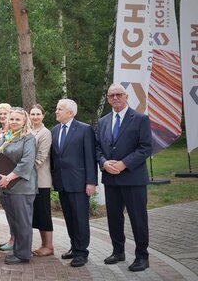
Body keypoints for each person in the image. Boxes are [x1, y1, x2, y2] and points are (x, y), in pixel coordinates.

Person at [96, 83, 152, 272]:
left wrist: (124, 163)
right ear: (108, 98)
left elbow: (145, 148)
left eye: (119, 94)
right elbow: (97, 148)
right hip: (110, 179)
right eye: (111, 95)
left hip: (133, 178)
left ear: (126, 96)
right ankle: (118, 251)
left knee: (138, 218)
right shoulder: (103, 121)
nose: (115, 98)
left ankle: (142, 256)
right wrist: (104, 162)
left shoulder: (140, 119)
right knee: (114, 218)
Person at [51, 99, 97, 267]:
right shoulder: (55, 130)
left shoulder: (85, 129)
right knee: (69, 218)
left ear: (70, 113)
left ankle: (82, 252)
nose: (56, 111)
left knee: (80, 219)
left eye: (59, 109)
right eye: (56, 109)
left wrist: (91, 182)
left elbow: (90, 157)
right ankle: (74, 247)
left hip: (79, 183)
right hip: (62, 183)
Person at [0, 107, 37, 265]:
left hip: (22, 187)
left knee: (23, 222)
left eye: (17, 119)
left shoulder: (28, 138)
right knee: (15, 221)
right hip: (7, 186)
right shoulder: (7, 136)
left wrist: (8, 177)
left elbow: (26, 163)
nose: (13, 122)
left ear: (24, 121)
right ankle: (18, 250)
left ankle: (23, 254)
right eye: (11, 119)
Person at [29, 104, 54, 258]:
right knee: (37, 214)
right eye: (32, 114)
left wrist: (21, 171)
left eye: (38, 114)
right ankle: (43, 244)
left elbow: (41, 158)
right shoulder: (28, 131)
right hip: (29, 180)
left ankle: (49, 246)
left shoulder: (45, 133)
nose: (35, 117)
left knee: (44, 214)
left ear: (43, 115)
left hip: (41, 180)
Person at [0, 102, 14, 251]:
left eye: (5, 113)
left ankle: (15, 239)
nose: (2, 116)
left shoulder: (15, 132)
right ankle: (12, 237)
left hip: (11, 176)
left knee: (14, 209)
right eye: (0, 113)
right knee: (7, 208)